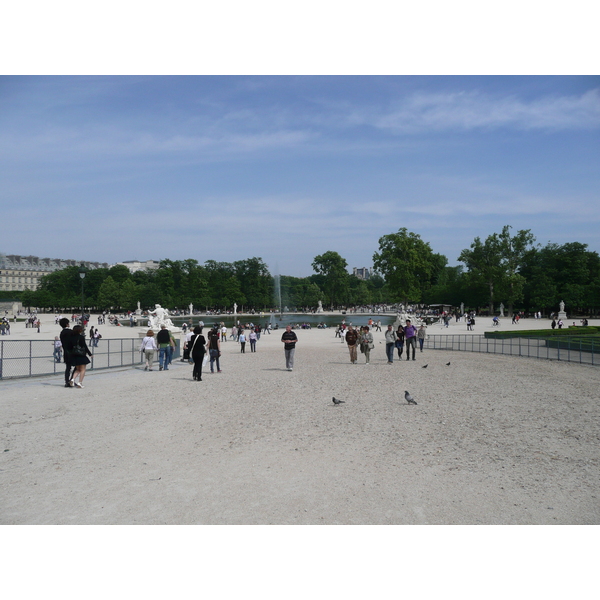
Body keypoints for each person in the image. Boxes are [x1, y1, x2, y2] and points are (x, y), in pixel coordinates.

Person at [59, 317, 74, 388]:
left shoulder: (62, 333)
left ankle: (67, 381)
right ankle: (71, 380)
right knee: (78, 367)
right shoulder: (70, 332)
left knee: (68, 368)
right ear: (67, 324)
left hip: (66, 352)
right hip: (73, 352)